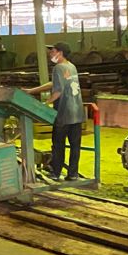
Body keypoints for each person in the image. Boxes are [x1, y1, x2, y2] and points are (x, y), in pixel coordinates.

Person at [24, 41, 86, 181]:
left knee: (58, 144)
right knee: (75, 145)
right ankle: (73, 174)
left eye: (53, 51)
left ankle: (55, 173)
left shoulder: (58, 68)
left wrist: (45, 104)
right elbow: (55, 84)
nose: (50, 54)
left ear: (60, 53)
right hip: (77, 112)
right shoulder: (71, 67)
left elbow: (58, 91)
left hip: (64, 113)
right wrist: (32, 90)